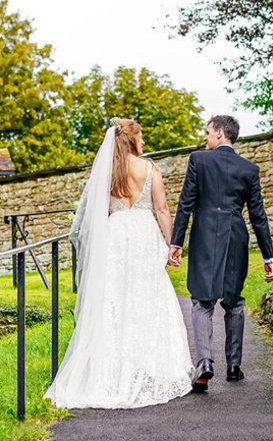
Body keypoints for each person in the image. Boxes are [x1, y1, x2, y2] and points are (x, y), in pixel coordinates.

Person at [45, 118, 192, 408]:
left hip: (114, 236)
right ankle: (151, 365)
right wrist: (174, 244)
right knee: (148, 296)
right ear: (132, 138)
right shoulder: (149, 168)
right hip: (143, 235)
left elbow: (93, 216)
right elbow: (162, 209)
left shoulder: (106, 171)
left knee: (113, 299)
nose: (144, 142)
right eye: (141, 137)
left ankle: (111, 369)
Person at [169, 115, 273, 393]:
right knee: (234, 301)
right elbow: (258, 216)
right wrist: (268, 256)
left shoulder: (198, 161)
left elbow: (185, 204)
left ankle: (205, 363)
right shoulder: (249, 169)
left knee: (203, 301)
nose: (204, 138)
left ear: (219, 133)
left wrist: (176, 242)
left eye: (207, 132)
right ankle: (234, 366)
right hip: (236, 235)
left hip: (205, 233)